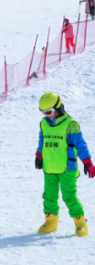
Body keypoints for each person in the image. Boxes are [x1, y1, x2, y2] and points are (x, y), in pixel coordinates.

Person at [36, 93, 93, 236]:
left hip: (67, 168)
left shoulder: (70, 124)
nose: (47, 115)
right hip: (49, 167)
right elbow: (42, 140)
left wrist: (87, 162)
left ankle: (81, 224)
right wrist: (39, 155)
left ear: (59, 107)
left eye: (49, 112)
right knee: (49, 196)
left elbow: (80, 145)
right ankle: (50, 222)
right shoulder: (44, 123)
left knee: (69, 197)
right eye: (43, 112)